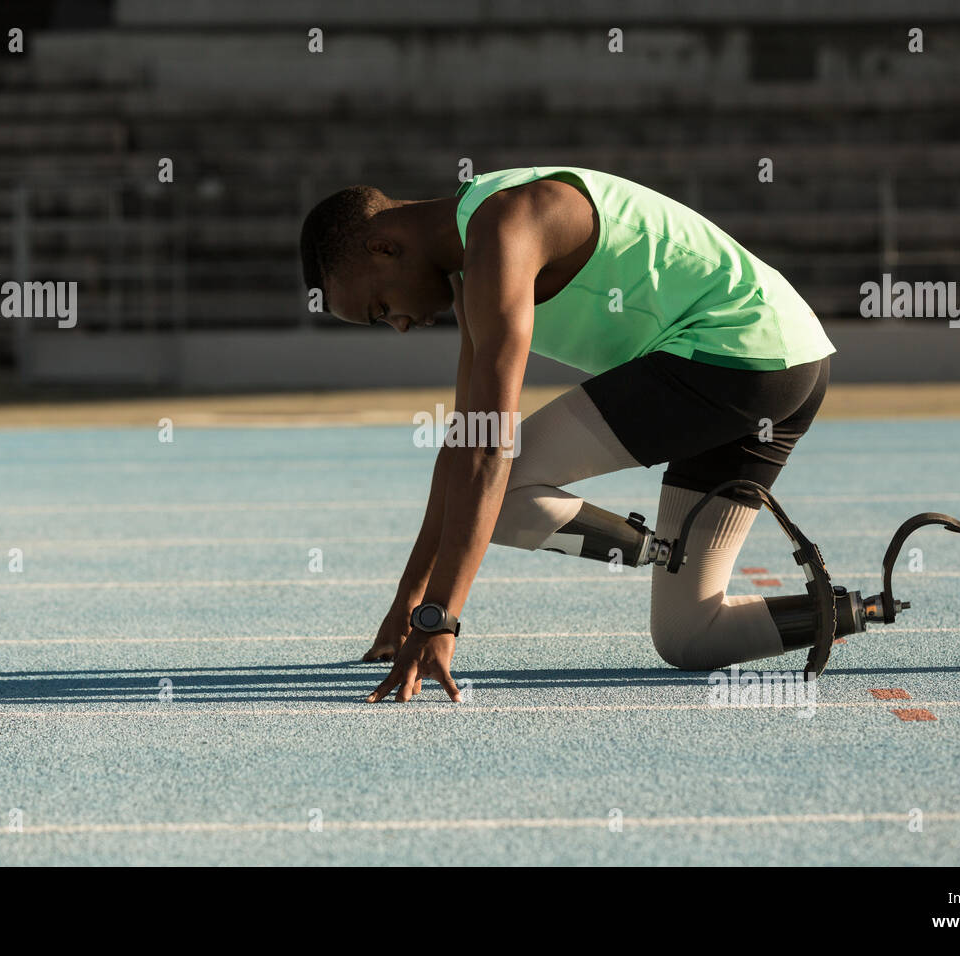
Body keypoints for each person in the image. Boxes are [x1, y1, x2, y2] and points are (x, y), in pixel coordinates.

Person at [299, 166, 835, 703]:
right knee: (689, 635)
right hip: (784, 364)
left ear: (383, 248)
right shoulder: (471, 270)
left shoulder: (506, 226)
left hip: (736, 356)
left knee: (501, 491)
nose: (399, 325)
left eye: (381, 309)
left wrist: (440, 619)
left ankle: (654, 549)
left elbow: (489, 450)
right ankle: (861, 608)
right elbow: (465, 437)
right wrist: (409, 601)